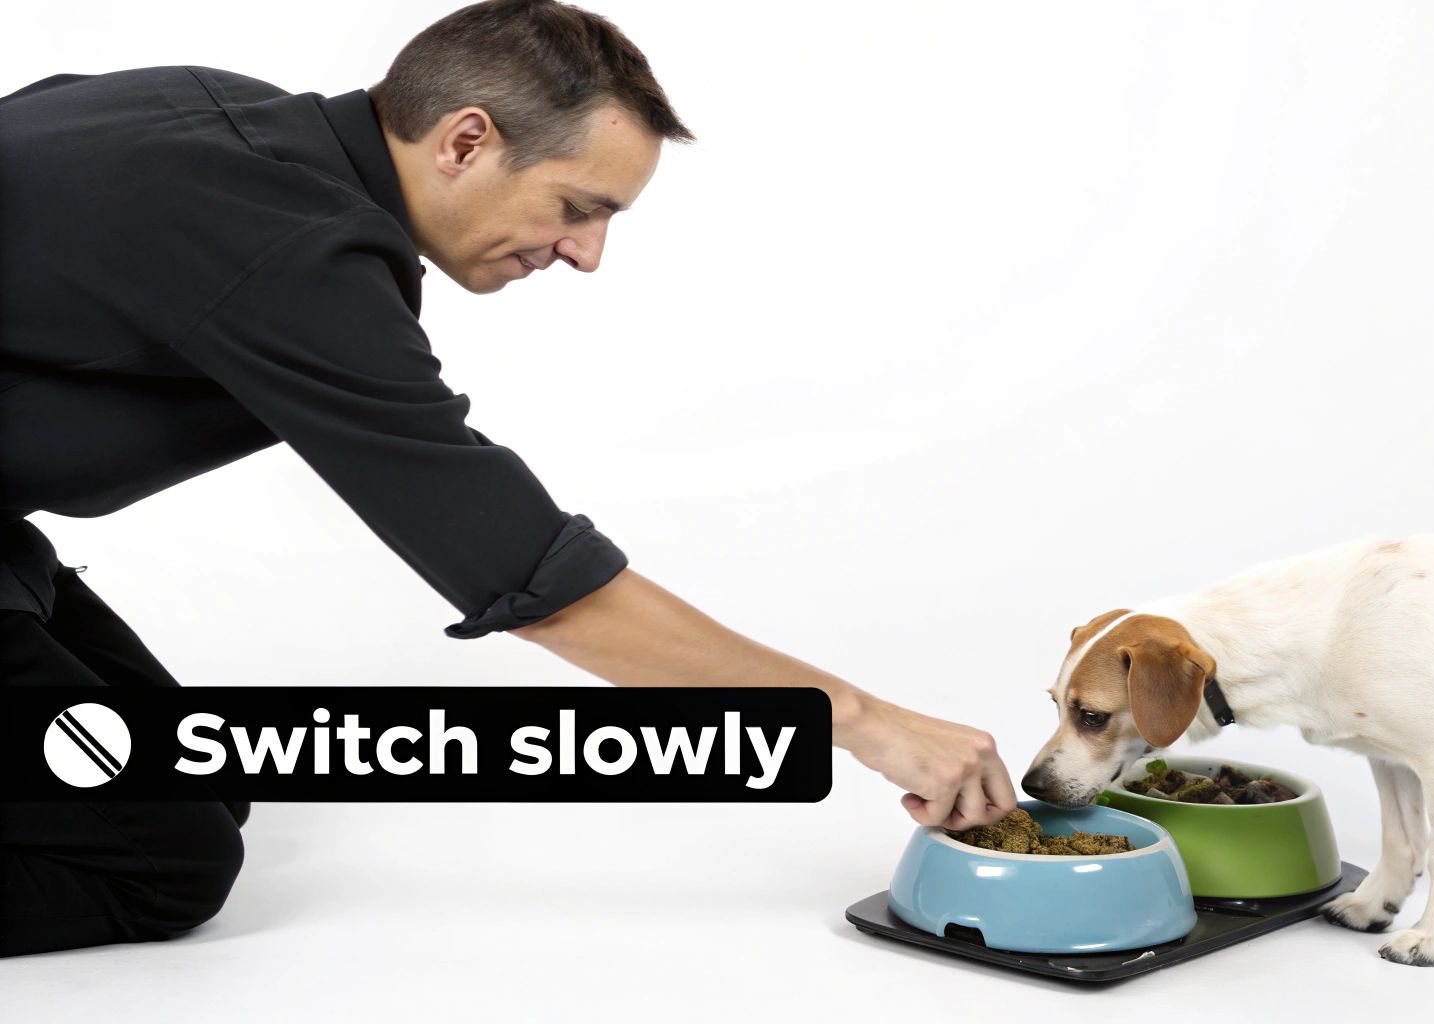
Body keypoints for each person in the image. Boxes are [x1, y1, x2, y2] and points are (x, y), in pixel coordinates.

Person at [0, 0, 1014, 958]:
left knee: (199, 777)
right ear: (464, 141)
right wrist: (863, 722)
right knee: (161, 862)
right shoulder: (287, 246)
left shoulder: (207, 112)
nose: (586, 253)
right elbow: (524, 573)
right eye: (578, 207)